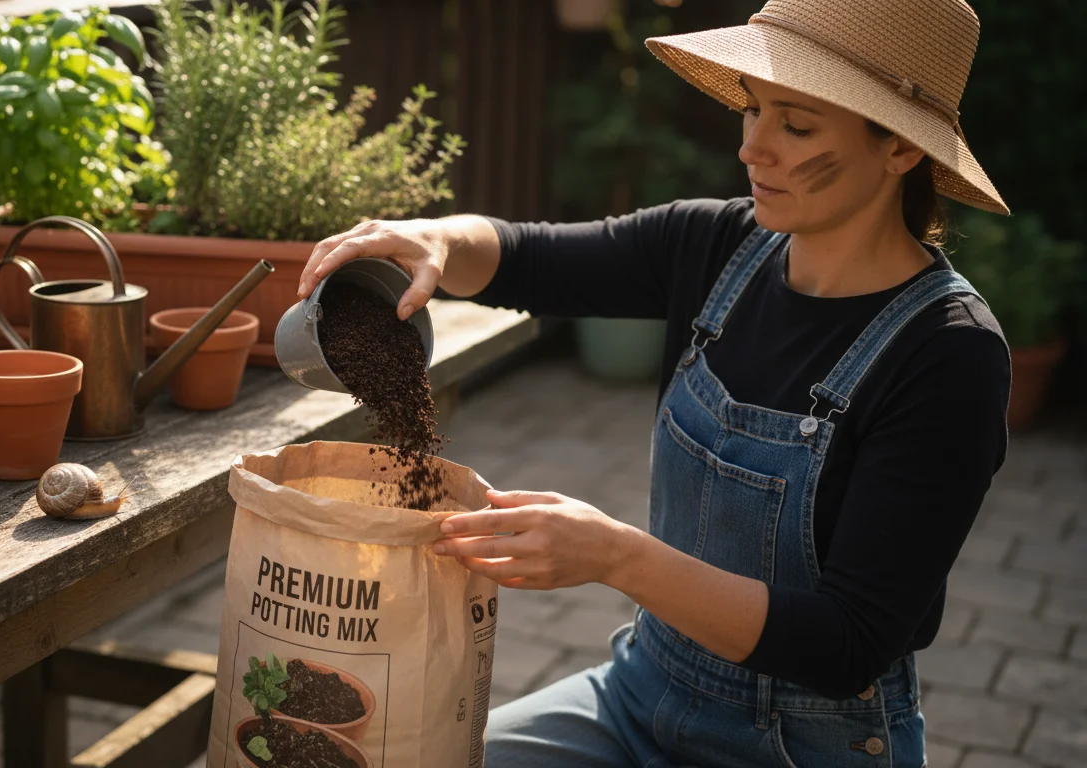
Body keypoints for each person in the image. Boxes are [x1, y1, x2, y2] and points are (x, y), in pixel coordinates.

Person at [296, 0, 1010, 764]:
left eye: (795, 126)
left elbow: (847, 645)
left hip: (801, 742)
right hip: (643, 691)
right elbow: (522, 255)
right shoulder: (716, 245)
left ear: (900, 148)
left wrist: (616, 557)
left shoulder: (946, 354)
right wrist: (433, 238)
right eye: (752, 109)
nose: (752, 150)